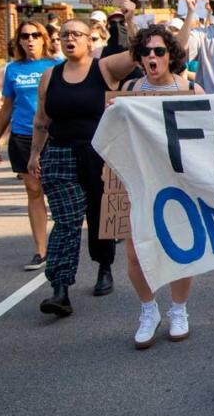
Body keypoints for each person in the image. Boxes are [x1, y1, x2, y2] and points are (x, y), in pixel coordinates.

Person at [29, 18, 139, 316]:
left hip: (99, 154)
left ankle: (104, 266)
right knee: (67, 218)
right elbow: (41, 120)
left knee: (99, 213)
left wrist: (127, 20)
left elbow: (136, 52)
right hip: (60, 155)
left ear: (90, 40)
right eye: (64, 35)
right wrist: (34, 154)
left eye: (76, 34)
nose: (69, 39)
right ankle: (60, 289)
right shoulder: (50, 75)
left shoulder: (104, 68)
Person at [118, 26, 204, 348]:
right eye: (146, 52)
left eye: (159, 51)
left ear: (171, 55)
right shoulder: (127, 90)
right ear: (140, 58)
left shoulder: (191, 90)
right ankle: (148, 309)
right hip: (137, 178)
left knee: (180, 247)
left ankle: (179, 310)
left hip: (177, 180)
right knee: (135, 252)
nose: (152, 57)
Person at [0, 22, 60, 270]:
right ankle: (40, 250)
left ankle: (62, 240)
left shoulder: (55, 66)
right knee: (34, 191)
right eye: (25, 36)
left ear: (44, 39)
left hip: (53, 135)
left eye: (35, 35)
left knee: (56, 190)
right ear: (19, 41)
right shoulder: (13, 70)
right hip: (23, 136)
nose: (30, 39)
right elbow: (7, 107)